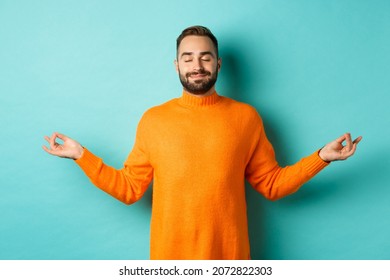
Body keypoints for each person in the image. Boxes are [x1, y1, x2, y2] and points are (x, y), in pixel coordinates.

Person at [42, 26, 362, 260]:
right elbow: (129, 189)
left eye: (206, 57)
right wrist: (79, 155)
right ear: (177, 65)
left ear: (218, 64)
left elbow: (272, 184)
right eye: (188, 58)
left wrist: (322, 157)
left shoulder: (246, 118)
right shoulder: (154, 120)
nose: (197, 66)